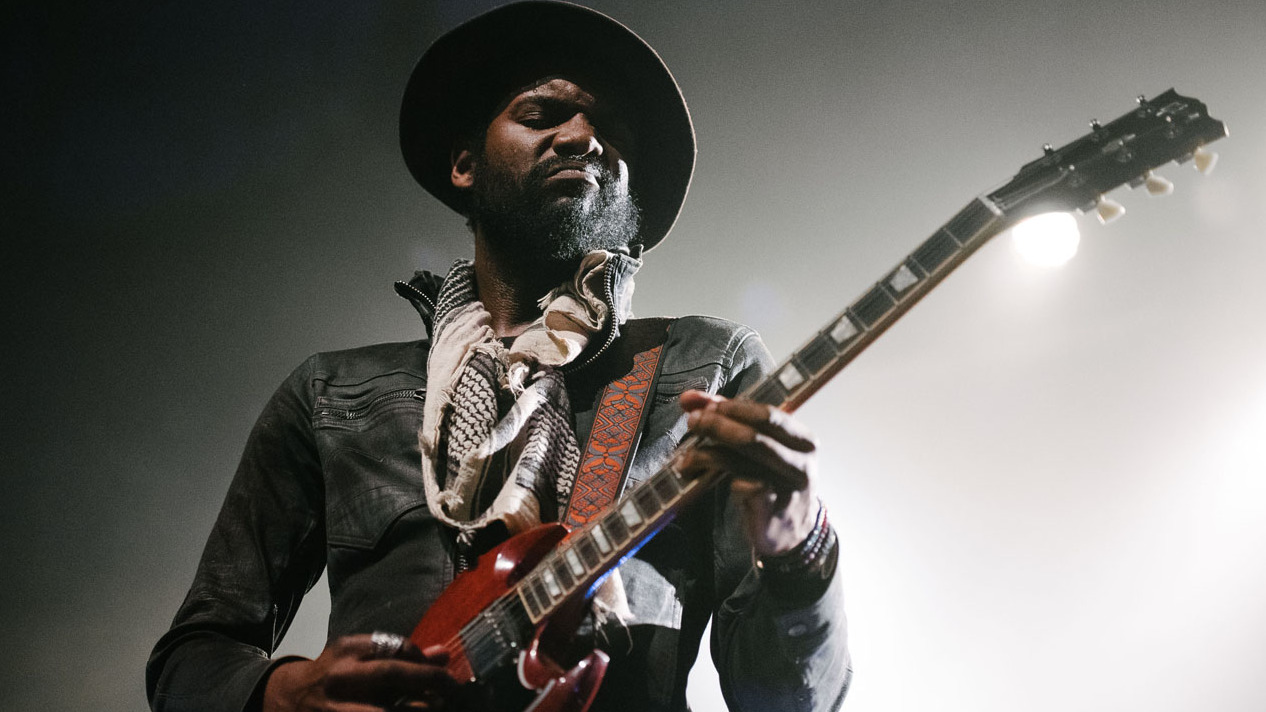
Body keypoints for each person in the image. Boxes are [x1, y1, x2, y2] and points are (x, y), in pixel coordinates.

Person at [146, 3, 851, 711]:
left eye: (613, 129)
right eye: (542, 114)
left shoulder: (705, 366)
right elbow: (194, 659)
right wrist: (284, 692)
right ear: (464, 164)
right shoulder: (332, 393)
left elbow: (790, 701)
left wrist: (800, 550)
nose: (584, 137)